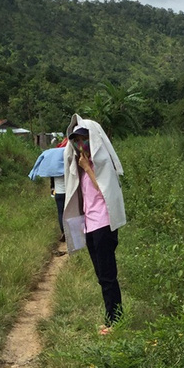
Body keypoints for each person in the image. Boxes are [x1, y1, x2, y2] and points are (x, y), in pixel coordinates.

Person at [62, 115, 125, 334]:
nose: (81, 145)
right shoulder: (80, 164)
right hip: (90, 225)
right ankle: (111, 318)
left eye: (84, 140)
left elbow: (106, 191)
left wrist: (89, 168)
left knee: (108, 275)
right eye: (77, 141)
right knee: (101, 276)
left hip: (104, 224)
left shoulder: (100, 163)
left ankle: (115, 322)